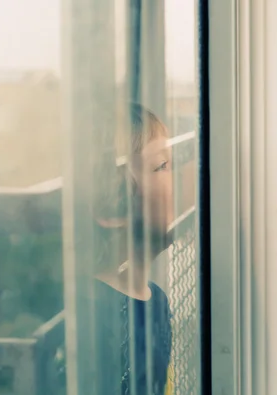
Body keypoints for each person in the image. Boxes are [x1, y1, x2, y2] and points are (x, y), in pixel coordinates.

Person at [91, 102, 174, 395]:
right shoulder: (94, 319)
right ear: (114, 206)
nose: (177, 177)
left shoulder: (156, 302)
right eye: (162, 166)